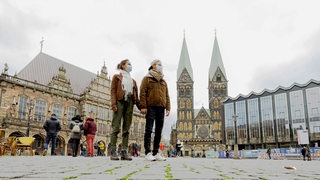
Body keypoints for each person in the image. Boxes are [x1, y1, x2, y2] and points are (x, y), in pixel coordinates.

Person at [140, 59, 170, 161]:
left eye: (161, 65)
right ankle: (148, 152)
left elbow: (167, 95)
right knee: (148, 129)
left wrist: (168, 108)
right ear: (153, 66)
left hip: (161, 108)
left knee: (158, 131)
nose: (161, 66)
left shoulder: (163, 81)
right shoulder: (147, 79)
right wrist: (143, 106)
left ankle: (156, 152)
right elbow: (142, 93)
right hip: (150, 107)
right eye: (159, 65)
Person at [110, 59, 140, 161]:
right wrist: (114, 104)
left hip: (130, 103)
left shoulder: (133, 81)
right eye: (128, 64)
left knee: (126, 129)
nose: (130, 66)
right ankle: (113, 151)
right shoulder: (116, 77)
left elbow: (136, 97)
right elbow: (113, 91)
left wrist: (142, 107)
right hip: (120, 101)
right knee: (116, 127)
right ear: (123, 66)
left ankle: (124, 151)